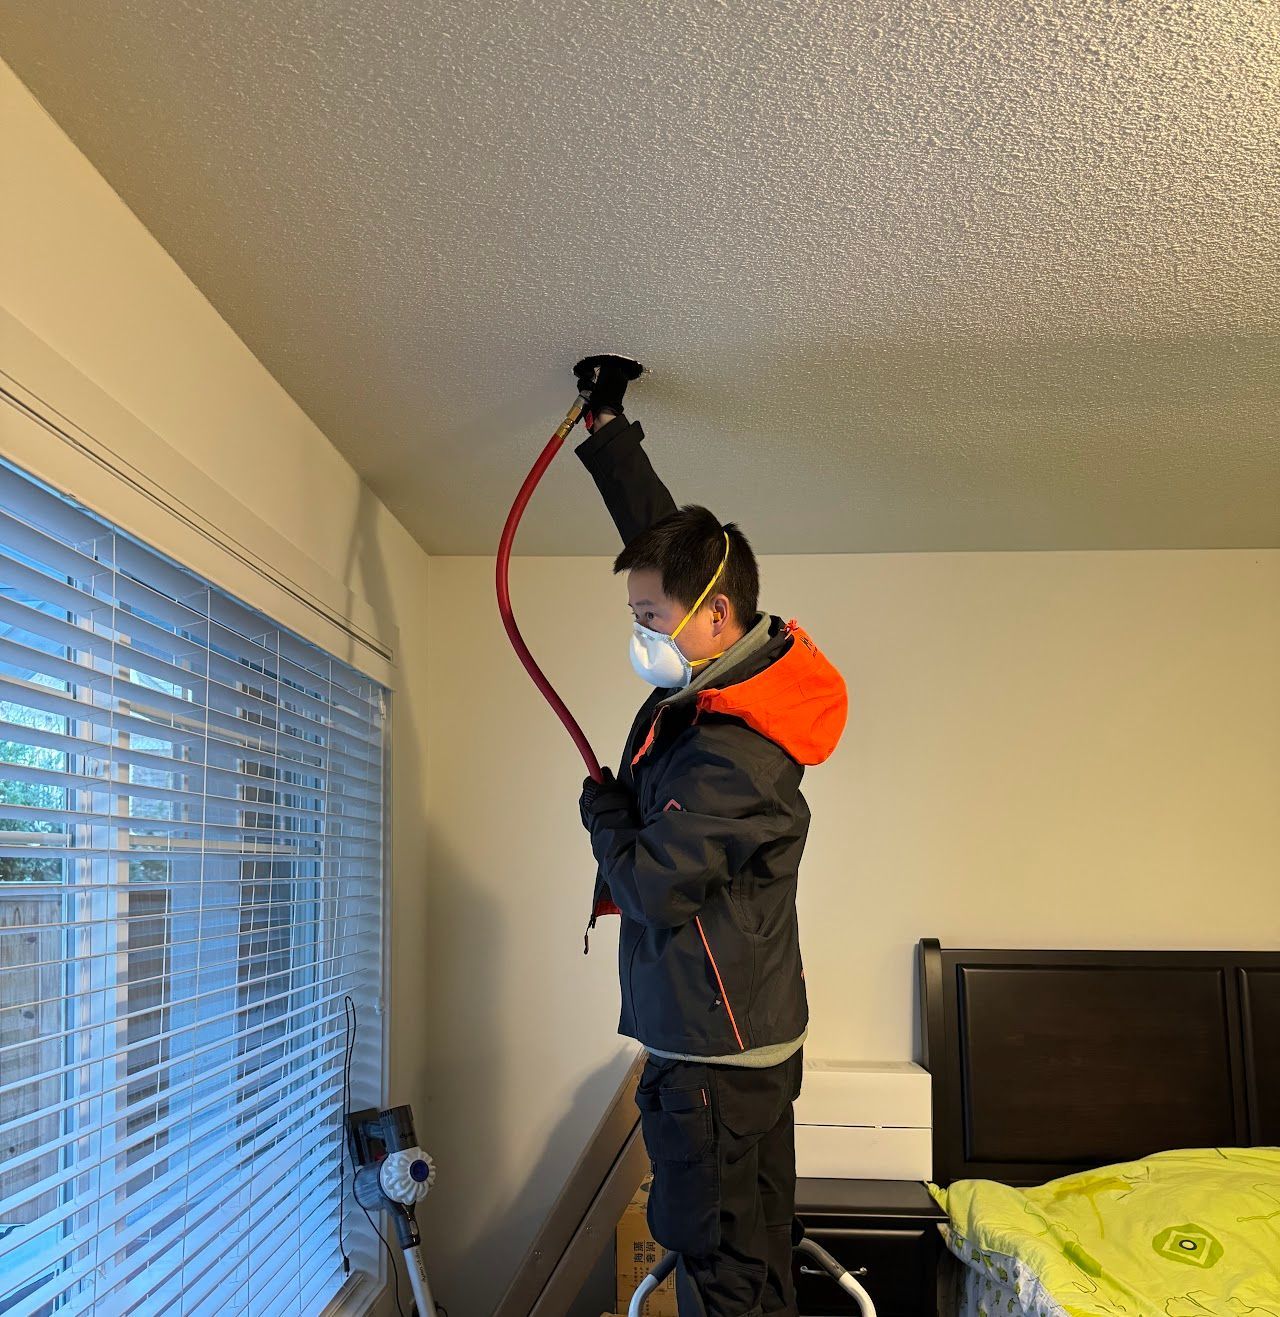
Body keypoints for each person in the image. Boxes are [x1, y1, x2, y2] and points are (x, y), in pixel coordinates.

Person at [573, 357, 849, 1317]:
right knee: (757, 1251)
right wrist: (608, 432)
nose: (641, 630)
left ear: (709, 617)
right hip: (743, 1049)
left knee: (720, 1269)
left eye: (648, 616)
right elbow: (670, 547)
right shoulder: (741, 670)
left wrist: (604, 818)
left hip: (713, 1068)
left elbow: (653, 887)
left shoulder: (734, 751)